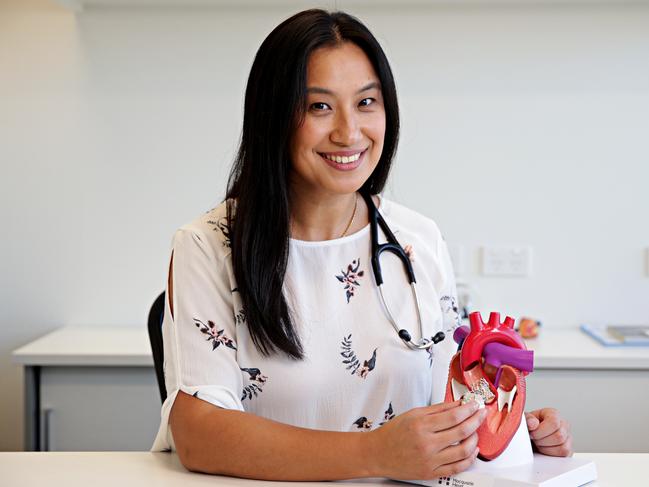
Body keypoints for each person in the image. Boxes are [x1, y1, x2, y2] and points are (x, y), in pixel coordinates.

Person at [151, 8, 572, 481]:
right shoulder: (208, 247)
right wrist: (373, 453)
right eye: (319, 107)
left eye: (367, 103)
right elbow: (199, 433)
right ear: (273, 117)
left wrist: (504, 428)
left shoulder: (417, 239)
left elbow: (446, 398)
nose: (349, 132)